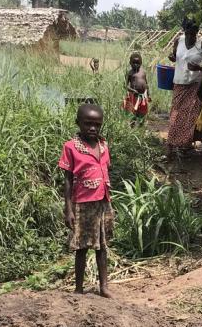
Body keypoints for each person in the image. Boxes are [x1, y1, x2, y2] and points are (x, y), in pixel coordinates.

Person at [59, 104, 114, 297]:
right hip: (82, 203)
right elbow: (67, 179)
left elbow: (105, 170)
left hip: (103, 202)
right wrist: (68, 208)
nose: (92, 128)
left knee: (102, 246)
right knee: (81, 247)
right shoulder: (71, 147)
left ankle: (104, 287)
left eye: (97, 125)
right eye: (88, 124)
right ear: (78, 123)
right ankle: (79, 288)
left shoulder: (103, 145)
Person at [166, 18, 202, 155]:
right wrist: (172, 58)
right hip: (179, 84)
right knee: (175, 115)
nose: (191, 36)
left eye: (194, 33)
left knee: (189, 117)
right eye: (189, 33)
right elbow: (174, 56)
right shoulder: (178, 41)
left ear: (197, 32)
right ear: (185, 31)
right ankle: (171, 144)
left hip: (194, 85)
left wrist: (199, 68)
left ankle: (184, 143)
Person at [122, 51, 149, 123]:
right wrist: (132, 90)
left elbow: (146, 84)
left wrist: (148, 95)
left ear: (141, 63)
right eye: (133, 63)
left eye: (138, 63)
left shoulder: (143, 72)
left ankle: (141, 126)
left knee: (142, 112)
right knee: (133, 112)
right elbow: (124, 85)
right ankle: (132, 127)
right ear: (130, 63)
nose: (135, 65)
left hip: (143, 96)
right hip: (134, 96)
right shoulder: (129, 73)